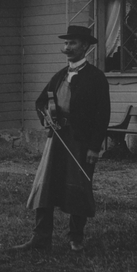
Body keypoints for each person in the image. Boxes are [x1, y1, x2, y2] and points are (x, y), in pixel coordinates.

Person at [14, 25, 110, 253]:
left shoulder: (96, 78)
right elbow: (41, 103)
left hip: (81, 141)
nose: (67, 48)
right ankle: (41, 237)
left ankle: (76, 237)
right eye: (66, 43)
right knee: (46, 184)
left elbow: (102, 115)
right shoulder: (59, 76)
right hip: (56, 139)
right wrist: (46, 117)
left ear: (85, 46)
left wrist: (94, 147)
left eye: (72, 43)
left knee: (79, 186)